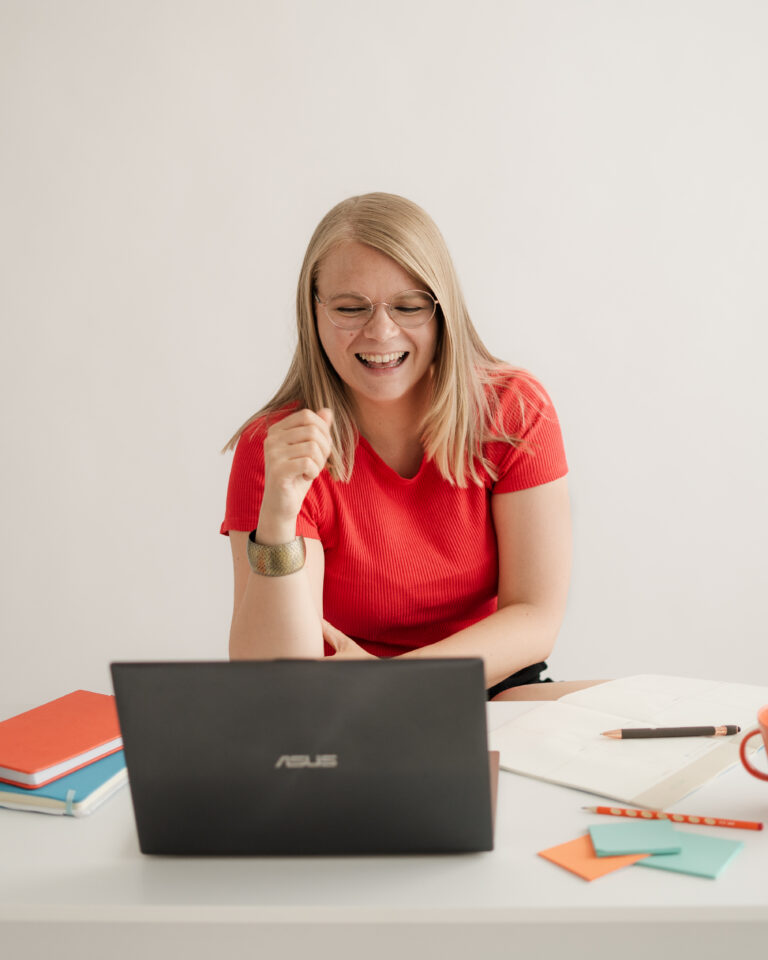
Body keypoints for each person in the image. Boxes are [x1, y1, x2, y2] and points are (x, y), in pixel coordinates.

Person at [221, 192, 593, 701]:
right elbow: (274, 679)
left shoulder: (514, 409)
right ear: (314, 312)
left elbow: (534, 617)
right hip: (343, 702)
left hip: (485, 686)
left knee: (651, 719)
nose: (380, 331)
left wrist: (394, 682)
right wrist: (278, 519)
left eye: (409, 306)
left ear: (442, 311)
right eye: (350, 308)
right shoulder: (277, 447)